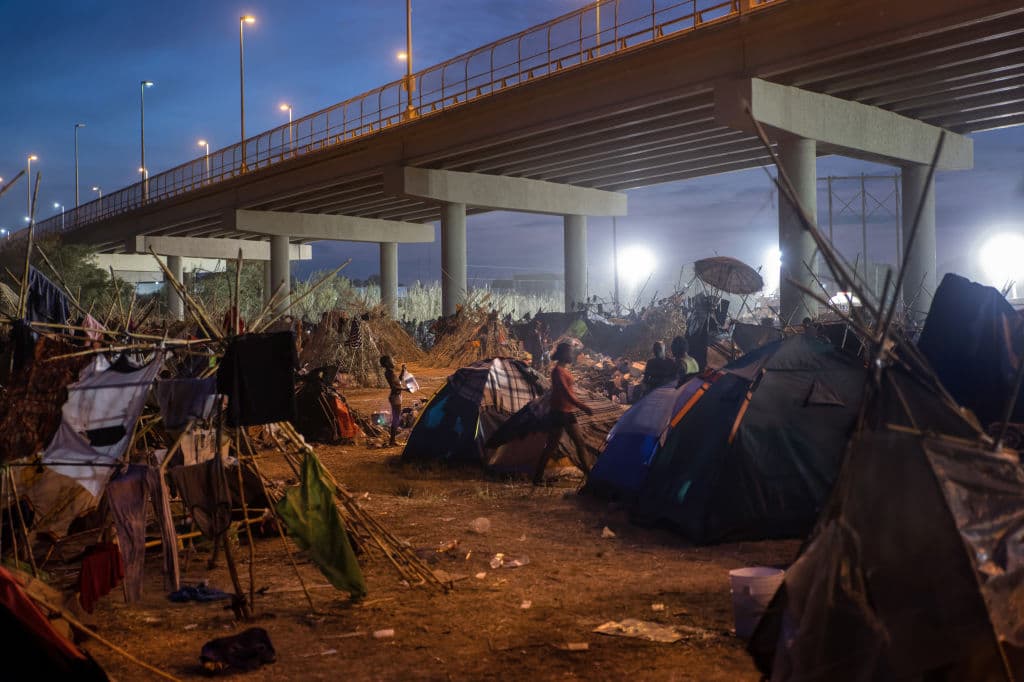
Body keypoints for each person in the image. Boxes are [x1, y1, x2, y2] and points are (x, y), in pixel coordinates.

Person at [533, 342, 593, 486]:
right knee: (572, 444)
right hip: (560, 412)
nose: (572, 355)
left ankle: (589, 475)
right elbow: (565, 392)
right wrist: (582, 406)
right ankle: (590, 476)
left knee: (574, 444)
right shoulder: (557, 371)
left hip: (566, 411)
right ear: (565, 354)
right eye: (570, 352)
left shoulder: (563, 370)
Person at [380, 355, 406, 446]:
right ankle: (392, 441)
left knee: (396, 418)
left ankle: (392, 440)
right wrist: (405, 389)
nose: (394, 362)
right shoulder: (389, 373)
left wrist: (403, 371)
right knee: (396, 419)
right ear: (387, 363)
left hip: (396, 396)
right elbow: (394, 387)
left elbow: (399, 381)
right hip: (395, 397)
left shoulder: (391, 372)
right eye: (392, 361)